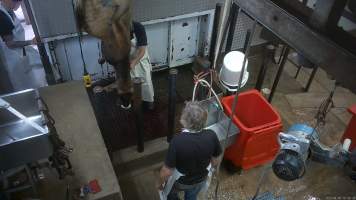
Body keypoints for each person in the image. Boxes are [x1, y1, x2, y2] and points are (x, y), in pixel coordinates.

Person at [158, 101, 222, 200]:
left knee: (171, 193)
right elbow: (216, 159)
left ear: (185, 120)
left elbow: (167, 171)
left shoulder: (177, 141)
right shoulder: (211, 135)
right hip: (201, 178)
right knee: (192, 196)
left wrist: (160, 183)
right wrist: (212, 169)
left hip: (182, 181)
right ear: (204, 120)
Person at [0, 0, 46, 93]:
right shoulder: (2, 16)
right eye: (17, 2)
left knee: (32, 80)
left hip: (19, 52)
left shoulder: (8, 10)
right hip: (11, 57)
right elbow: (10, 44)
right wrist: (31, 42)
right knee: (20, 84)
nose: (19, 5)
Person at [130, 21, 155, 110]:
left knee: (146, 82)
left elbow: (142, 50)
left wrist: (133, 62)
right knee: (130, 84)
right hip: (128, 60)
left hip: (141, 60)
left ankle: (149, 102)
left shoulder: (138, 27)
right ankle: (134, 101)